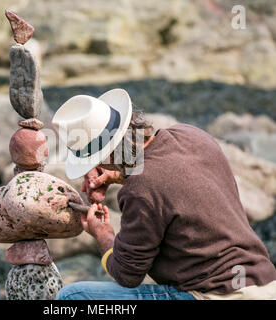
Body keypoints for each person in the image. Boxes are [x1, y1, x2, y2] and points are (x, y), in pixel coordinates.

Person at [52, 88, 276, 300]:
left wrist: (102, 234)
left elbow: (127, 275)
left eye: (97, 160)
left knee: (73, 296)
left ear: (108, 156)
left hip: (216, 294)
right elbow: (165, 182)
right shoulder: (192, 135)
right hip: (265, 283)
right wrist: (119, 176)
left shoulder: (141, 189)